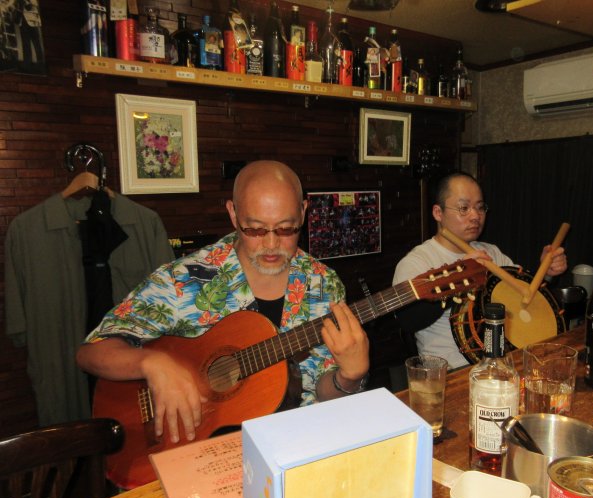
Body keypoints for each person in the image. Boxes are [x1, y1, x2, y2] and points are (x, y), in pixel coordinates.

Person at [77, 161, 369, 444]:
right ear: (233, 213)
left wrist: (349, 377)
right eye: (254, 229)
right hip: (201, 450)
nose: (270, 244)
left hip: (298, 444)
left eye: (285, 229)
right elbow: (91, 352)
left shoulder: (324, 285)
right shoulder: (184, 280)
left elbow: (321, 392)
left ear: (303, 213)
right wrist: (151, 363)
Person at [393, 171, 567, 369]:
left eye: (480, 207)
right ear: (438, 213)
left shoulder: (491, 252)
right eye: (464, 208)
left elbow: (523, 301)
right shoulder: (417, 262)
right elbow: (408, 320)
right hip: (452, 371)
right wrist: (458, 276)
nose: (475, 216)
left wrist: (546, 274)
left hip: (504, 364)